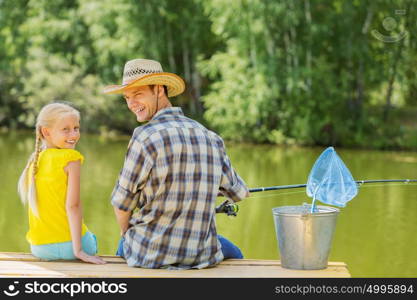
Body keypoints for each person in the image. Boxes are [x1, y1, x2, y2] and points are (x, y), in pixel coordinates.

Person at [103, 58, 249, 269]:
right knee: (235, 253)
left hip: (149, 255)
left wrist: (126, 235)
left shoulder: (144, 137)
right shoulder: (210, 137)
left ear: (159, 90)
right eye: (127, 97)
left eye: (138, 94)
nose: (131, 103)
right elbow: (239, 193)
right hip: (200, 255)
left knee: (122, 244)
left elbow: (122, 204)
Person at [17, 102, 106, 264]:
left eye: (76, 128)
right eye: (66, 129)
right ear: (46, 132)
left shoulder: (34, 162)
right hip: (71, 246)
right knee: (92, 239)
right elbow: (73, 206)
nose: (73, 135)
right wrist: (78, 251)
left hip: (40, 248)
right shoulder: (70, 158)